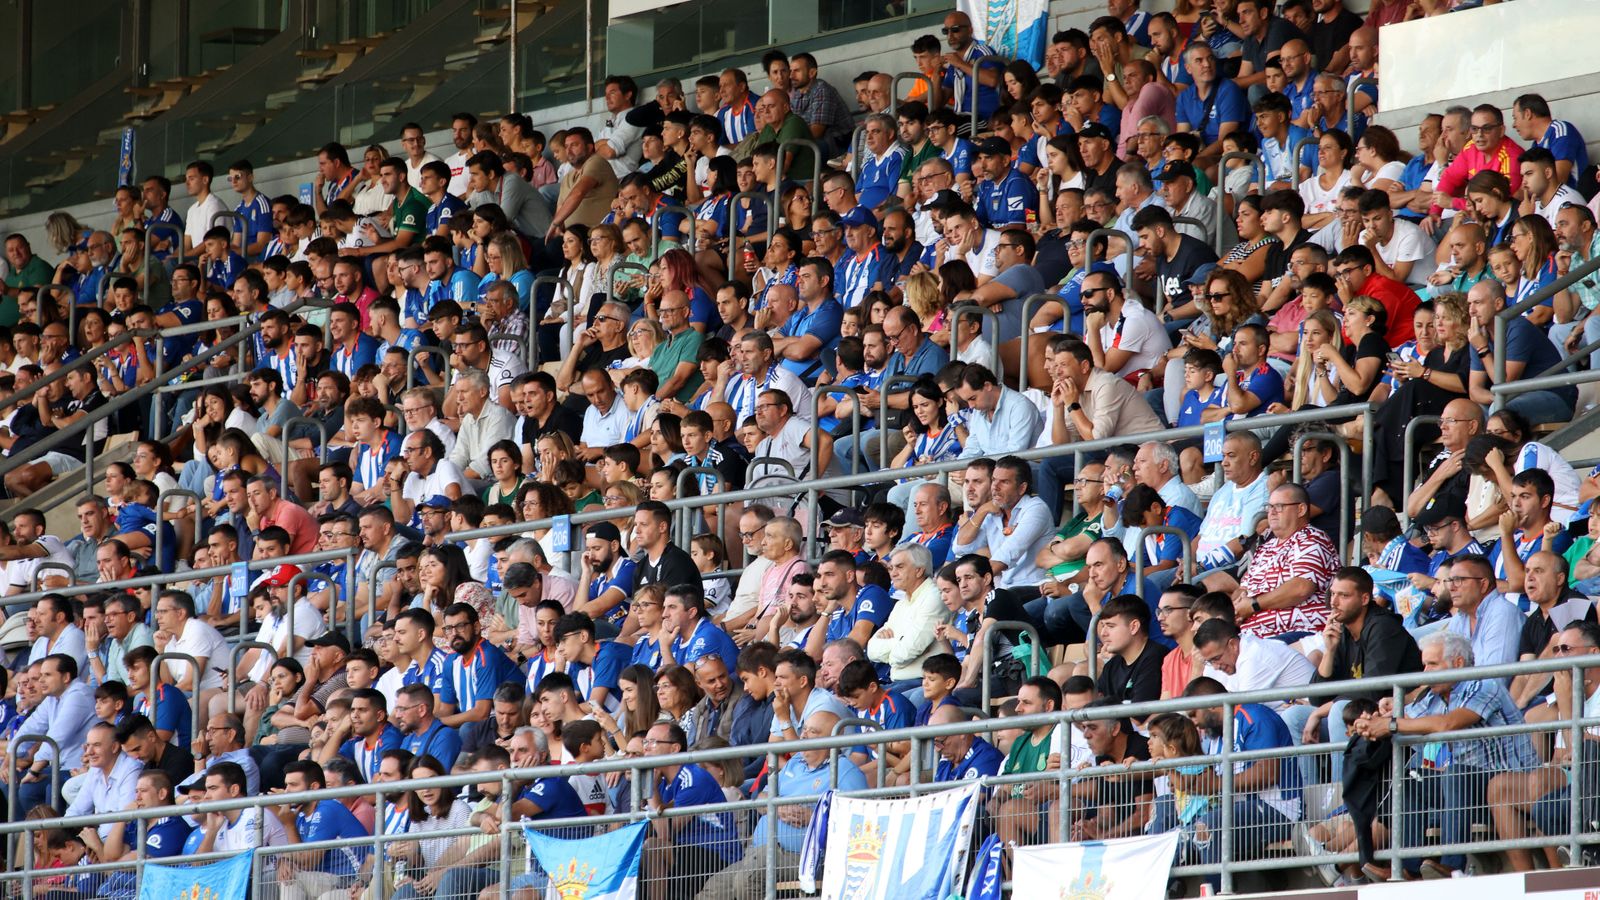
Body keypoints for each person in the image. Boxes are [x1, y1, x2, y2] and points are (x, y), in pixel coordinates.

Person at [1351, 630, 1540, 881]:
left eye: (1432, 664)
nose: (1425, 673)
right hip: (1466, 793)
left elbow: (1447, 724)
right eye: (1424, 665)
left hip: (1511, 789)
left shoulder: (1484, 684)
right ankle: (1409, 868)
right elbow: (1404, 720)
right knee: (1411, 779)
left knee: (1455, 772)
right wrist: (1372, 723)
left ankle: (1452, 865)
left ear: (1458, 663)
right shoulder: (1433, 696)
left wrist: (1391, 724)